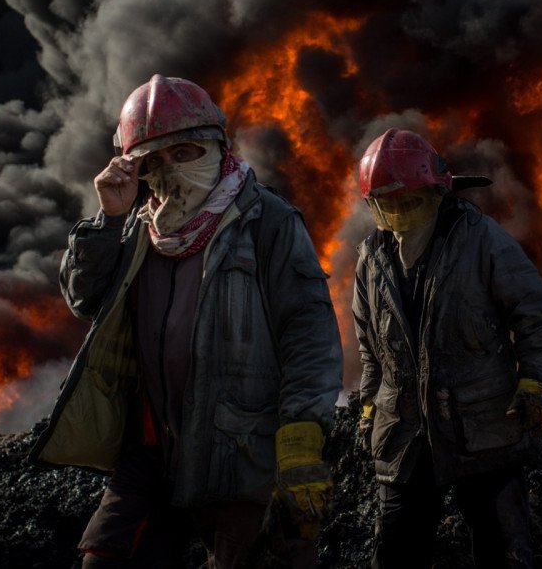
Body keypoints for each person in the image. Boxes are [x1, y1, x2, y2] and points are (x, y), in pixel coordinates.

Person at [31, 74, 343, 568]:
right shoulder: (136, 226)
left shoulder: (268, 222)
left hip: (241, 451)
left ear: (218, 146)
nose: (171, 170)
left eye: (187, 152)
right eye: (154, 159)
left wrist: (301, 440)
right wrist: (108, 219)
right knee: (104, 558)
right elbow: (82, 298)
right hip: (154, 449)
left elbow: (309, 334)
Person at [352, 128, 542, 569]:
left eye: (410, 202)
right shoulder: (371, 259)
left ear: (437, 192)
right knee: (396, 552)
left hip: (483, 424)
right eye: (388, 207)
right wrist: (371, 402)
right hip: (404, 432)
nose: (401, 216)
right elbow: (370, 344)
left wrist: (536, 383)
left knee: (501, 549)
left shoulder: (481, 240)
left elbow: (534, 317)